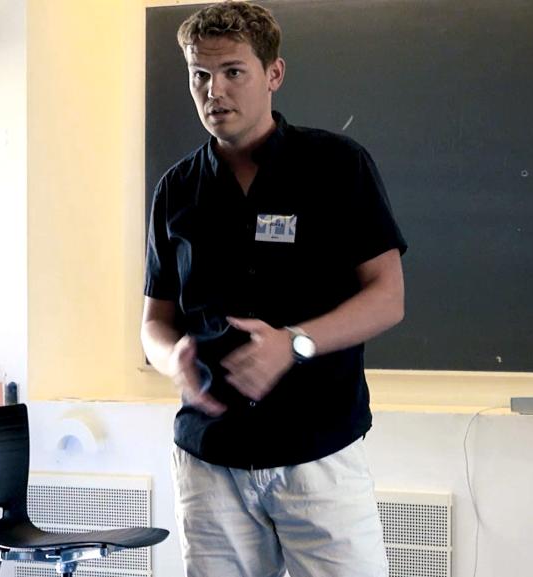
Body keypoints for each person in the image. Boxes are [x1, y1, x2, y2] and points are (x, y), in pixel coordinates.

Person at [141, 2, 406, 575]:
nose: (214, 90)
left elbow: (388, 297)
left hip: (317, 453)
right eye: (199, 75)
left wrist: (294, 343)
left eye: (233, 71)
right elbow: (155, 322)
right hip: (211, 460)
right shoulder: (176, 190)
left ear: (273, 74)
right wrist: (171, 357)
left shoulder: (337, 166)